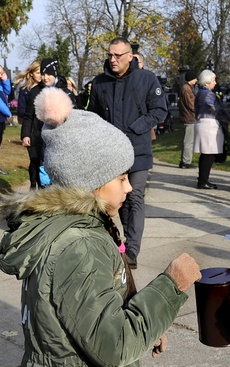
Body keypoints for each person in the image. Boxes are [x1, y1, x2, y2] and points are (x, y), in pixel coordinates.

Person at [0, 87, 201, 367]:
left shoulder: (72, 226)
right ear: (92, 181)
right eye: (122, 176)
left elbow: (96, 312)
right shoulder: (79, 246)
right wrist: (170, 288)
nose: (130, 186)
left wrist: (145, 321)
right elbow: (111, 343)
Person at [89, 37, 168, 269]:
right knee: (117, 200)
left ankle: (132, 250)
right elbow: (93, 115)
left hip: (138, 150)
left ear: (130, 56)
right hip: (111, 153)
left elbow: (159, 110)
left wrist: (134, 128)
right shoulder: (100, 82)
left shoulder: (147, 79)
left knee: (135, 197)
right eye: (110, 55)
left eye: (118, 55)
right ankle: (121, 244)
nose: (112, 59)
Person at [21, 58, 76, 190]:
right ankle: (39, 192)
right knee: (40, 167)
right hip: (39, 136)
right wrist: (25, 134)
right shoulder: (35, 91)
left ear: (55, 74)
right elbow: (28, 116)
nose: (44, 78)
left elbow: (74, 115)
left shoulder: (65, 92)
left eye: (48, 74)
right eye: (42, 74)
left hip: (60, 138)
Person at [193, 69, 230, 190]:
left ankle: (202, 179)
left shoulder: (200, 93)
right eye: (213, 80)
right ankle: (203, 181)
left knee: (205, 154)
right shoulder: (208, 94)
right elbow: (218, 110)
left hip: (203, 124)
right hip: (209, 126)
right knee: (209, 154)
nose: (215, 83)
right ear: (206, 83)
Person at [178, 69, 197, 169]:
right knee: (188, 141)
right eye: (195, 78)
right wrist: (198, 109)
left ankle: (184, 161)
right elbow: (190, 104)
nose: (196, 80)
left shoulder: (187, 88)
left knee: (188, 140)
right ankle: (186, 162)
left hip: (188, 117)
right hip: (189, 117)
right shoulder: (186, 89)